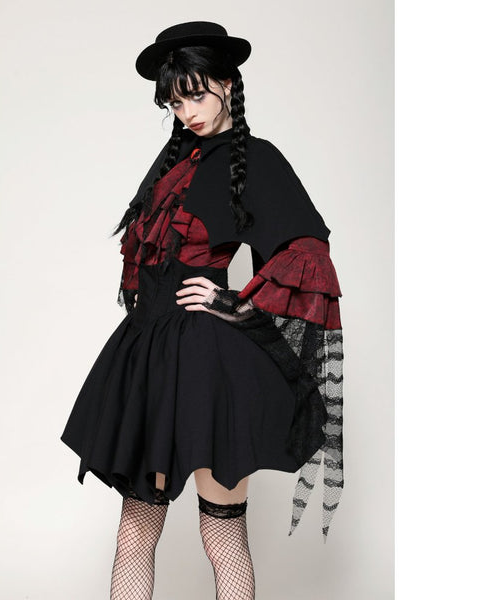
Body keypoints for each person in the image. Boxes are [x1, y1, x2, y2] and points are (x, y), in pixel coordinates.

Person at [60, 20, 344, 600]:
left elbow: (308, 253)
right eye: (174, 101)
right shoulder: (170, 164)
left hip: (210, 363)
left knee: (222, 533)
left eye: (194, 94)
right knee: (135, 533)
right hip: (148, 358)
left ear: (227, 83)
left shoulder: (258, 160)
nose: (186, 111)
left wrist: (234, 301)